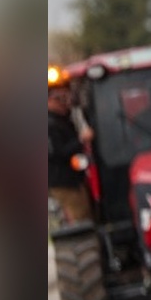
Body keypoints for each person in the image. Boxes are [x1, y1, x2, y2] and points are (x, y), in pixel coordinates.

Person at [48, 82, 94, 224]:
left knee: (88, 212)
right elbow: (56, 152)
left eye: (66, 97)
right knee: (80, 218)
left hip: (74, 179)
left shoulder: (62, 120)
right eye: (59, 99)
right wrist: (81, 140)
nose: (65, 102)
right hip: (63, 182)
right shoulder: (48, 124)